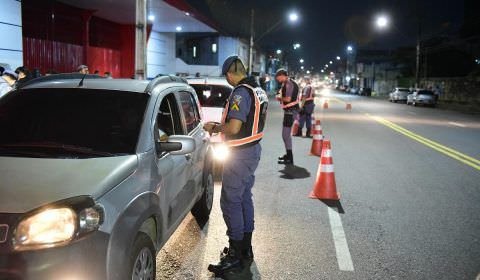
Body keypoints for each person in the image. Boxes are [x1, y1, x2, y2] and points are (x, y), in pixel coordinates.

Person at [204, 56, 268, 276]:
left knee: (230, 201)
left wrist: (214, 127)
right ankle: (245, 249)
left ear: (230, 74)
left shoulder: (240, 92)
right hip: (252, 152)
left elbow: (233, 127)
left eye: (226, 76)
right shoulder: (257, 89)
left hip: (239, 154)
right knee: (243, 198)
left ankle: (234, 255)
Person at [275, 69, 300, 164]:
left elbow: (288, 99)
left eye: (278, 78)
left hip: (290, 111)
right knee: (286, 135)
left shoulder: (289, 84)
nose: (277, 80)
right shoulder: (288, 83)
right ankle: (288, 155)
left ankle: (289, 157)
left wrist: (279, 98)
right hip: (290, 111)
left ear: (282, 75)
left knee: (285, 135)